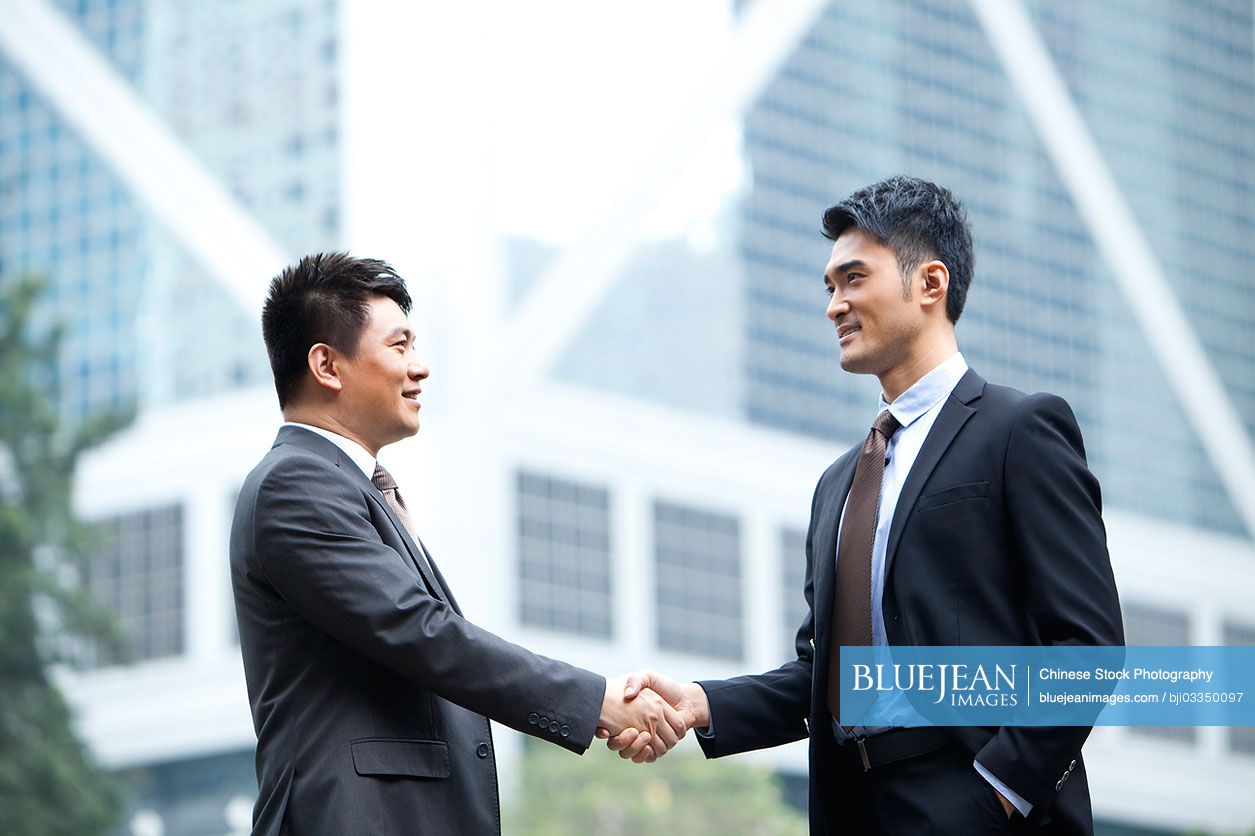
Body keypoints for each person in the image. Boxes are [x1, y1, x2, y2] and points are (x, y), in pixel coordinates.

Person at [607, 176, 1124, 834]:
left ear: (929, 284)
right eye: (828, 286)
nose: (833, 305)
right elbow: (823, 677)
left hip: (975, 802)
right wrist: (699, 704)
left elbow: (1087, 646)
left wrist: (995, 791)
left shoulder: (1018, 430)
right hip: (854, 808)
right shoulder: (837, 485)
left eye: (853, 278)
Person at [230, 252, 684, 836]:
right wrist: (594, 701)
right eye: (399, 346)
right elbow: (422, 632)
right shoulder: (296, 483)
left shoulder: (347, 487)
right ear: (327, 365)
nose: (419, 368)